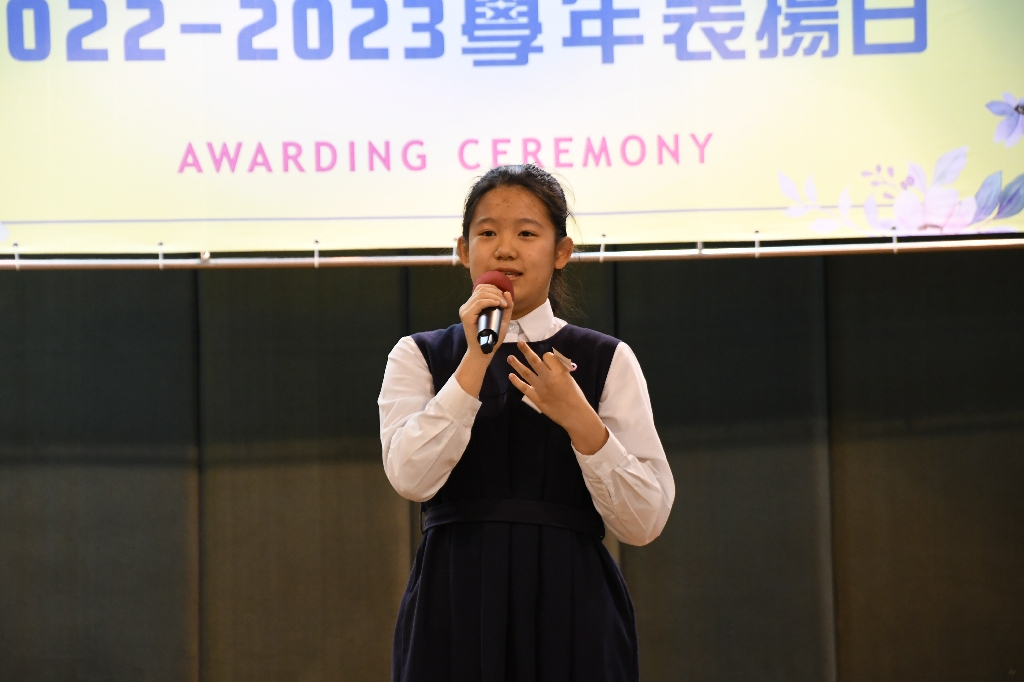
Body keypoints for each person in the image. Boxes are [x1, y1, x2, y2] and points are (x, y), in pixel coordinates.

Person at [378, 165, 674, 682]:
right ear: (463, 250)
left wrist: (578, 417)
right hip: (455, 597)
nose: (505, 249)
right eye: (487, 233)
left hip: (571, 600)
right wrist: (476, 359)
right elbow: (410, 477)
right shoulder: (420, 354)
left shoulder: (606, 358)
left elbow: (644, 522)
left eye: (527, 234)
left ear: (562, 251)